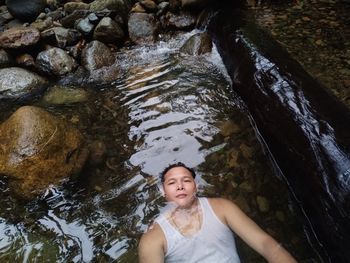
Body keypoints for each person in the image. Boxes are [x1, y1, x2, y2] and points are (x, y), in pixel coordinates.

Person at [138, 162, 297, 263]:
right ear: (162, 191)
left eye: (186, 180)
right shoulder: (153, 237)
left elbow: (266, 245)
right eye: (172, 182)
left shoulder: (222, 208)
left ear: (196, 186)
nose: (180, 186)